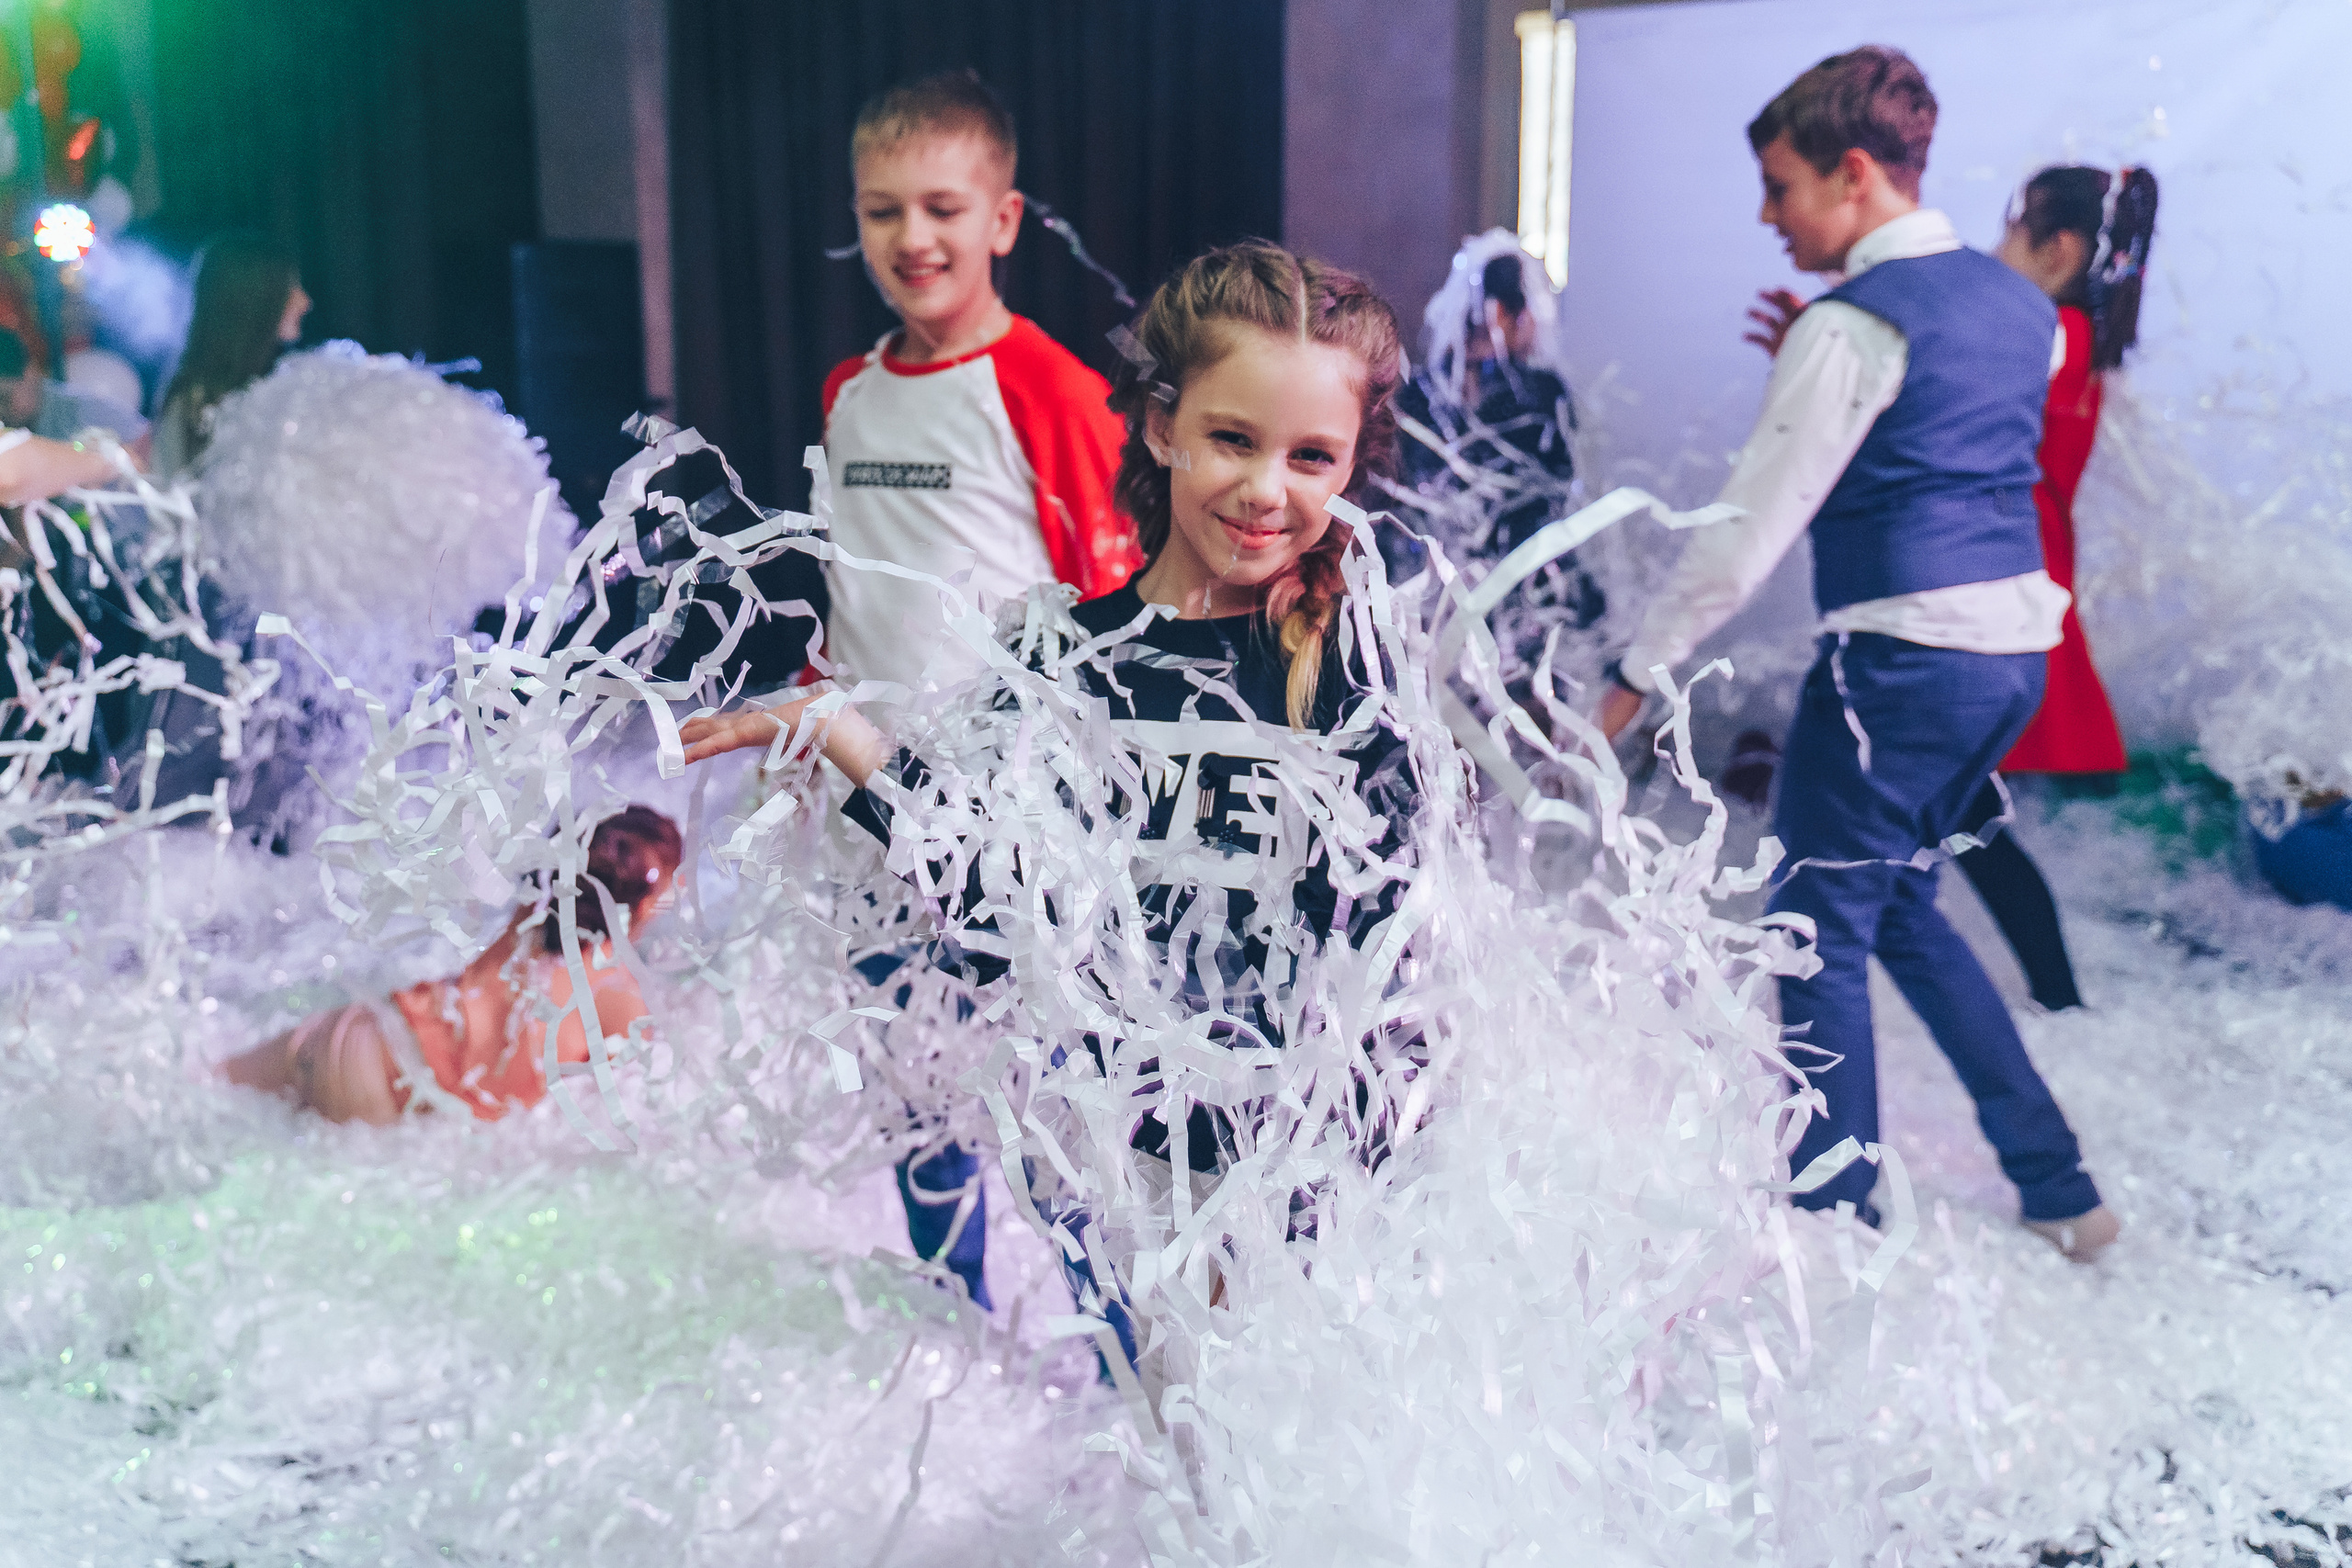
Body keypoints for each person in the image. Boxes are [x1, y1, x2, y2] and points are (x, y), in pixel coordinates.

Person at [680, 240, 1414, 1371]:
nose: (1269, 489)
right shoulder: (1059, 658)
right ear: (1162, 426)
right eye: (1232, 438)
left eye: (1311, 456)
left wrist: (1334, 1195)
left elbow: (1392, 959)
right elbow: (1002, 919)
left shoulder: (1349, 669)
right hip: (1134, 1173)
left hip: (1302, 1193)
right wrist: (845, 738)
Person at [1598, 47, 2117, 1262]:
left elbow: (1745, 535)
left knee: (1810, 921)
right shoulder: (2024, 313)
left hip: (1902, 660)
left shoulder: (1852, 324)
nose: (1767, 215)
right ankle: (2061, 1186)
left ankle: (1830, 1231)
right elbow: (1944, 439)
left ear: (1855, 174)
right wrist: (1816, 351)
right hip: (2007, 663)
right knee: (1904, 908)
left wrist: (1635, 671)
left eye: (1780, 187)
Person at [815, 67, 1144, 1307]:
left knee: (1065, 1122)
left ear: (1004, 219)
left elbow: (1112, 617)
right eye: (883, 209)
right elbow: (853, 598)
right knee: (918, 1098)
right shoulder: (850, 392)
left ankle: (1128, 1366)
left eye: (944, 207)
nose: (913, 238)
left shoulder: (1050, 391)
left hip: (1022, 832)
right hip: (877, 819)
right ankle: (956, 1343)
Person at [221, 807, 681, 1124]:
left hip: (365, 1035)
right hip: (391, 1092)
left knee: (208, 1084)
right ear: (641, 907)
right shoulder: (618, 999)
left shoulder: (533, 915)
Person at [151, 231, 311, 482]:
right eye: (291, 288)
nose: (305, 301)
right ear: (252, 300)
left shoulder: (288, 386)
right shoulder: (193, 404)